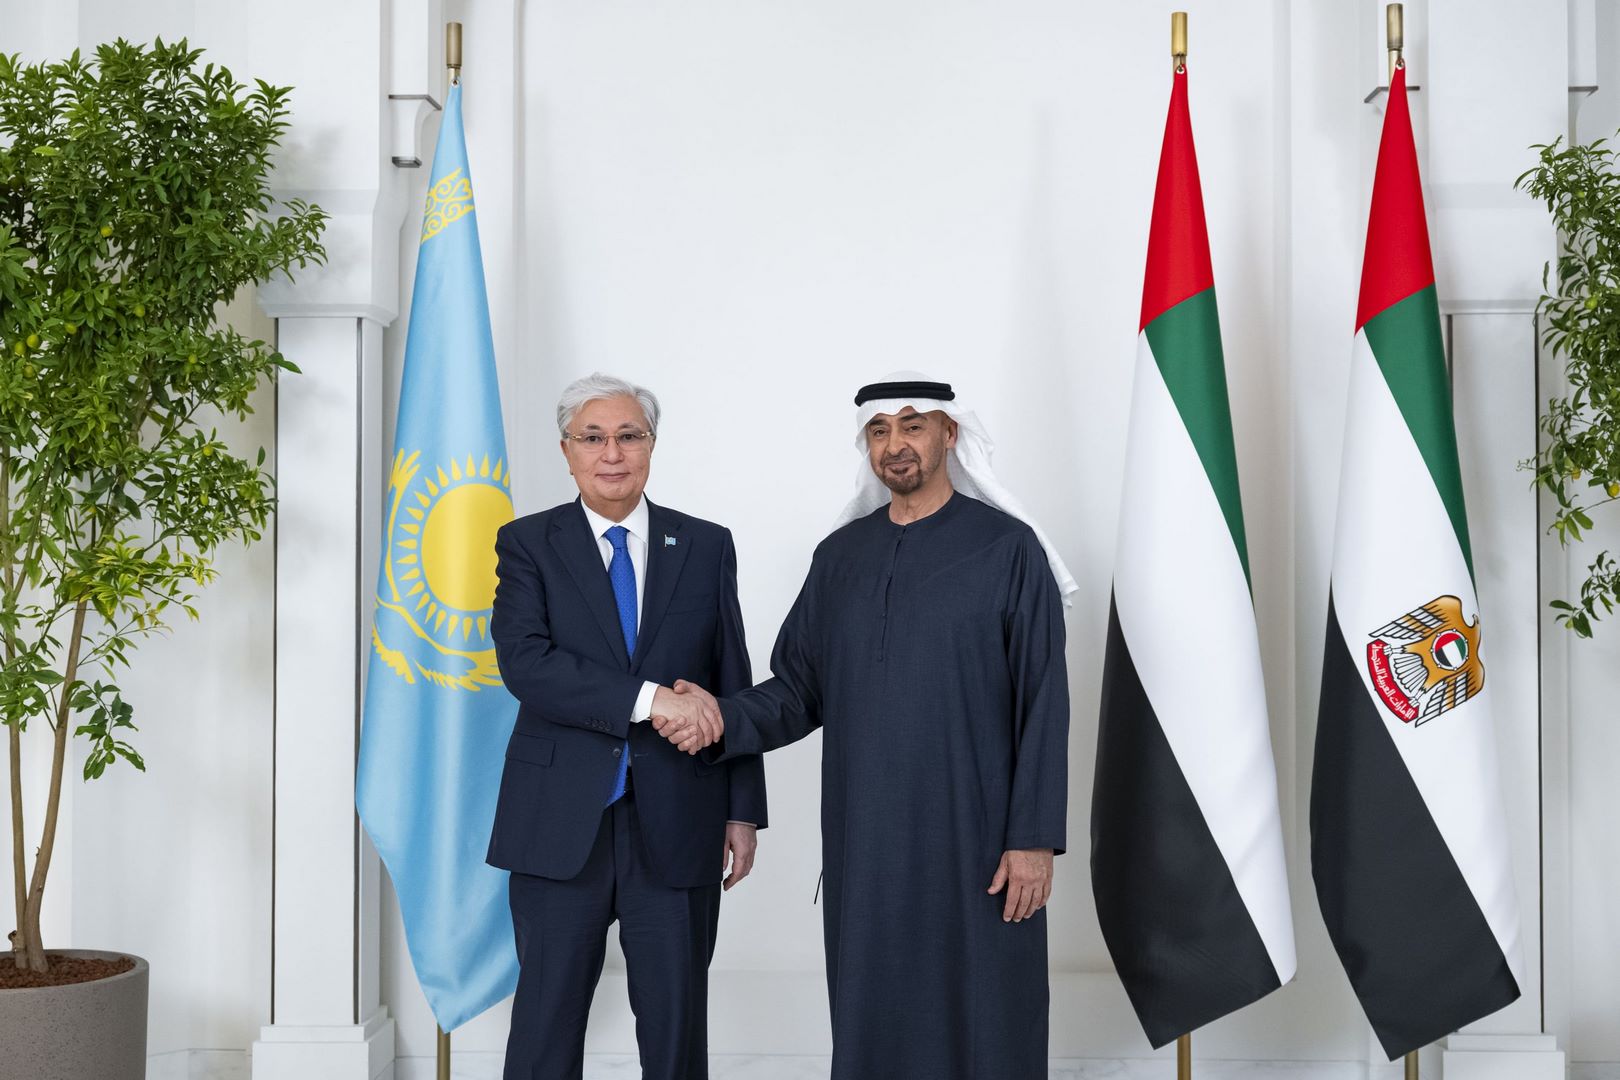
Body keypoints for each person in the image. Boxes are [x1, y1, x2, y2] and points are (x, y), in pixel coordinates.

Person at [655, 373, 1076, 1080]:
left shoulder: (1008, 549)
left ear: (950, 434)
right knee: (874, 1007)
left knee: (987, 1007)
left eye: (912, 426)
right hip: (867, 843)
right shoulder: (840, 558)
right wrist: (721, 716)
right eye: (879, 431)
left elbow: (1043, 700)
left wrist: (1032, 838)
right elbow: (798, 690)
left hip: (978, 842)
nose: (895, 444)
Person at [487, 373, 767, 1080]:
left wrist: (742, 810)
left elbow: (732, 681)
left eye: (628, 436)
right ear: (566, 450)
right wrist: (651, 700)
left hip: (678, 820)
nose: (611, 453)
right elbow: (527, 665)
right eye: (593, 437)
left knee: (675, 1032)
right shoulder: (528, 543)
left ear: (651, 445)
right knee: (545, 1027)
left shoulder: (705, 545)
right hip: (558, 823)